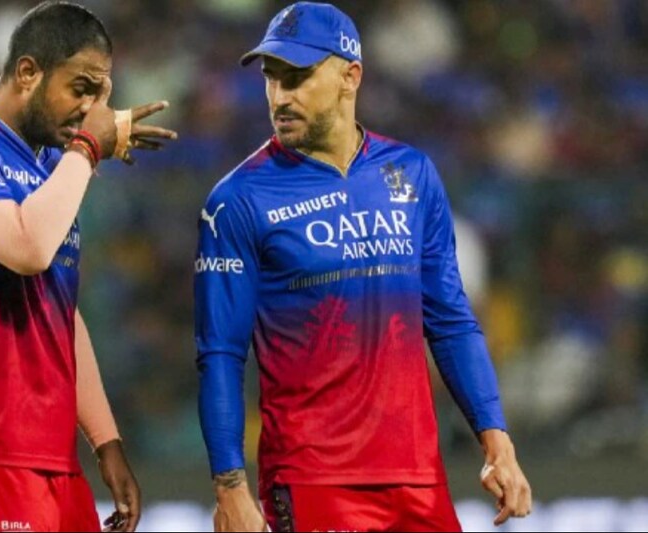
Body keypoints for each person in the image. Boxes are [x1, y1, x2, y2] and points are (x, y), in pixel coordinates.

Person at [194, 3, 532, 532]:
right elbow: (220, 353)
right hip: (312, 481)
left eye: (298, 77)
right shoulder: (238, 200)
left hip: (420, 478)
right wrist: (230, 488)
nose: (281, 96)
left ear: (350, 76)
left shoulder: (413, 174)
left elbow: (451, 321)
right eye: (272, 78)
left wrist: (497, 441)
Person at [0, 2, 177, 532]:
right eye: (81, 88)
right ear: (28, 72)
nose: (91, 109)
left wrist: (106, 440)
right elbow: (26, 248)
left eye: (101, 96)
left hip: (47, 453)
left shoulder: (49, 168)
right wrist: (89, 150)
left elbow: (60, 314)